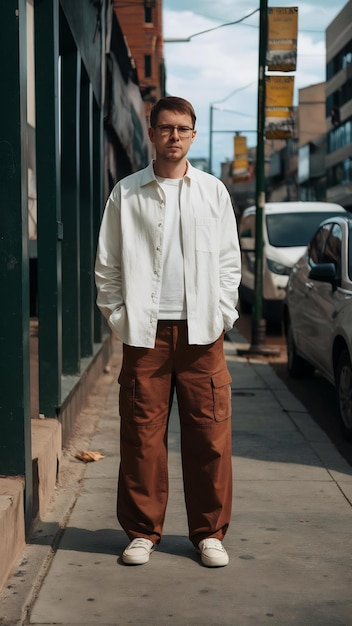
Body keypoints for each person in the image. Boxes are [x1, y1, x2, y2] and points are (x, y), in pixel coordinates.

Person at [95, 96, 241, 568]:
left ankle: (209, 534)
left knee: (210, 436)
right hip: (146, 335)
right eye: (165, 128)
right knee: (141, 437)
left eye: (182, 128)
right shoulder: (127, 193)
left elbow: (228, 263)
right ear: (153, 132)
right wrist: (121, 317)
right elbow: (108, 264)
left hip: (203, 335)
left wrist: (222, 315)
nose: (174, 136)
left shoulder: (214, 192)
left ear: (193, 135)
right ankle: (142, 532)